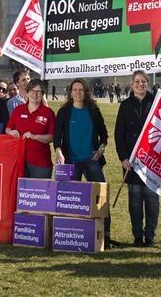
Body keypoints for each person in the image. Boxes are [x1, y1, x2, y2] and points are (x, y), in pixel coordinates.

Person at [53, 78, 118, 248]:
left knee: (100, 198)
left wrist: (101, 150)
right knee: (71, 200)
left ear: (85, 91)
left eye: (81, 89)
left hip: (91, 160)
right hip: (71, 162)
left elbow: (104, 135)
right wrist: (58, 151)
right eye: (74, 89)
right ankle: (72, 235)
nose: (77, 92)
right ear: (70, 92)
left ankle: (106, 236)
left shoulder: (93, 110)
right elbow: (57, 137)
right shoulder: (64, 111)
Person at [115, 70, 159, 247]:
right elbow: (119, 135)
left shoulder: (156, 102)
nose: (140, 84)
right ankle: (137, 236)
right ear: (132, 84)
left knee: (151, 199)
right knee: (134, 200)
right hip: (132, 162)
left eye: (143, 82)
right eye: (137, 82)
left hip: (151, 162)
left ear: (147, 83)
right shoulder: (125, 105)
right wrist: (123, 158)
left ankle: (150, 235)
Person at [6, 79, 55, 178]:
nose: (35, 94)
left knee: (41, 193)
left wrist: (35, 137)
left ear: (42, 94)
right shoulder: (18, 110)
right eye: (32, 91)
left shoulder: (48, 113)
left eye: (38, 91)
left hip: (41, 164)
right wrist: (11, 132)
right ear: (27, 93)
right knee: (21, 193)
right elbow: (7, 129)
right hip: (19, 162)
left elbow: (52, 137)